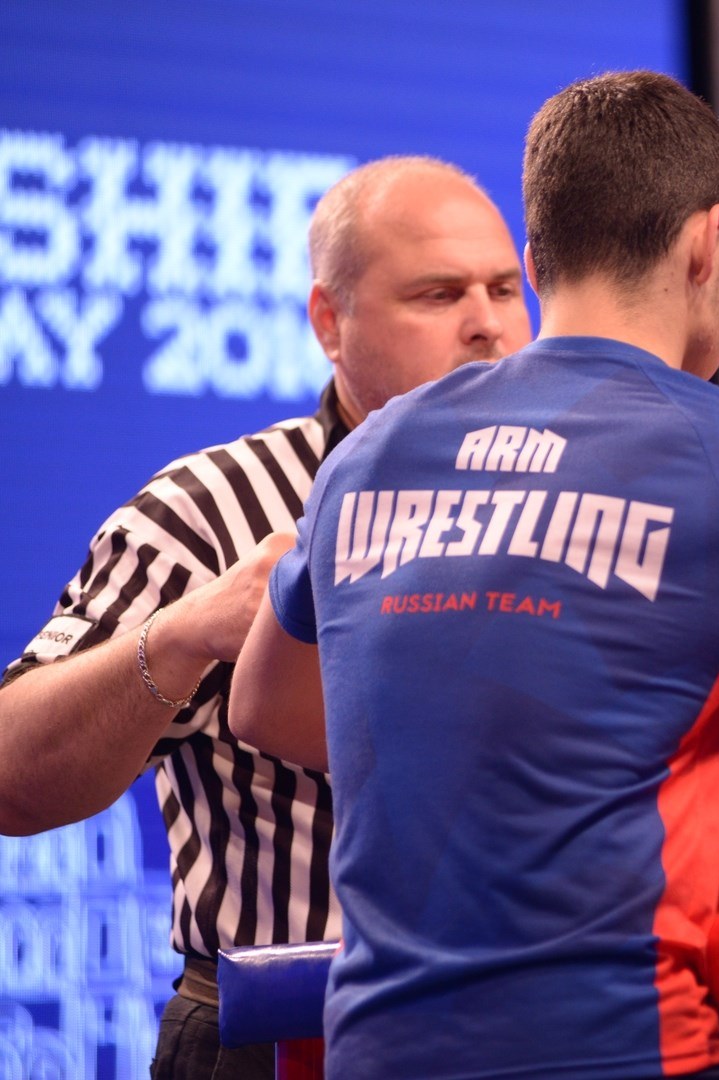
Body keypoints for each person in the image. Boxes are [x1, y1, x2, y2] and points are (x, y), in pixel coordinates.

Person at [231, 70, 719, 1080]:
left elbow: (264, 704)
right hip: (624, 1056)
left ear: (534, 263)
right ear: (711, 243)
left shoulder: (367, 450)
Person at [0, 155, 533, 1077]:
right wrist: (185, 632)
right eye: (439, 294)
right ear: (331, 323)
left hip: (529, 1032)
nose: (487, 325)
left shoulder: (575, 496)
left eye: (503, 289)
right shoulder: (212, 510)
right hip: (286, 1037)